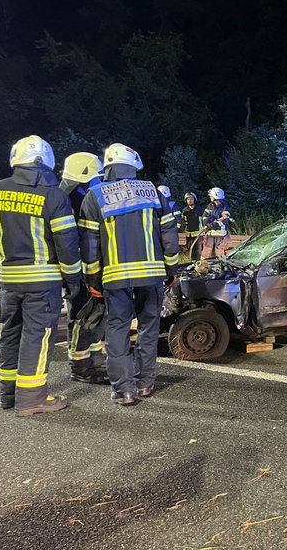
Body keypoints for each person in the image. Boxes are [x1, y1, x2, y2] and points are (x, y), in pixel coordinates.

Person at [79, 143, 180, 406]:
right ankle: (145, 383)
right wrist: (172, 269)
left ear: (107, 166)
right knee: (148, 328)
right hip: (152, 274)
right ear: (134, 166)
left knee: (117, 329)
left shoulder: (94, 195)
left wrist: (92, 279)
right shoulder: (154, 192)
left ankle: (123, 390)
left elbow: (90, 244)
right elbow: (169, 234)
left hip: (115, 276)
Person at [0, 135, 82, 416]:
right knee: (37, 337)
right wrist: (74, 280)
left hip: (8, 280)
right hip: (42, 282)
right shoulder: (53, 196)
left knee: (11, 332)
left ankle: (9, 394)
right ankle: (32, 399)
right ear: (45, 162)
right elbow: (66, 244)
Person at [59, 152, 107, 384]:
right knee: (80, 316)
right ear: (84, 175)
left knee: (94, 314)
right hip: (77, 269)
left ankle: (95, 360)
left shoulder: (73, 195)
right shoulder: (68, 200)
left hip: (84, 267)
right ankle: (80, 366)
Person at [202, 187, 232, 258]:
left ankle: (221, 267)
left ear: (215, 197)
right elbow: (204, 215)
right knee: (206, 252)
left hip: (220, 236)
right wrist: (206, 222)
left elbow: (224, 221)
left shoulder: (224, 207)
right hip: (209, 234)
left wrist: (212, 225)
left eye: (211, 196)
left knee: (219, 254)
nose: (210, 197)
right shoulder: (210, 206)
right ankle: (202, 267)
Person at [180, 192, 204, 261]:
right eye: (188, 199)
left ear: (194, 200)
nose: (190, 201)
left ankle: (199, 264)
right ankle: (192, 263)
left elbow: (204, 220)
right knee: (190, 249)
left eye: (191, 199)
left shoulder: (200, 210)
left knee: (198, 250)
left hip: (198, 233)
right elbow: (182, 222)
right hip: (188, 234)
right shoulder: (184, 211)